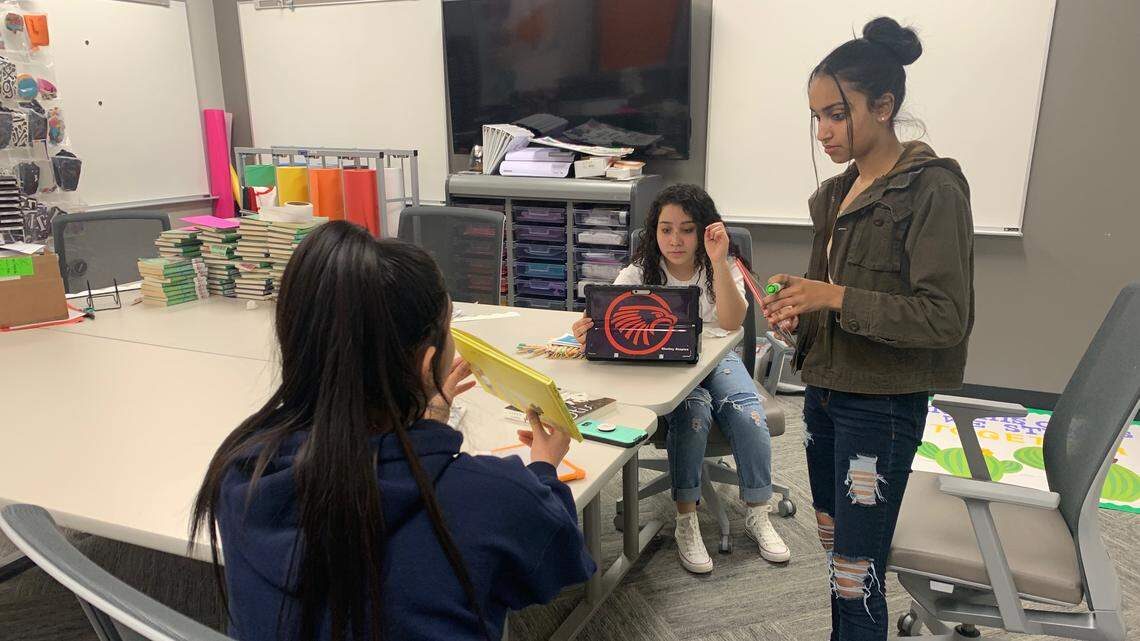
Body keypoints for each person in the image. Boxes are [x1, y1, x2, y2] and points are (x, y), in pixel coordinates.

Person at [190, 221, 595, 641]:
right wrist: (544, 468)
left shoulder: (245, 469)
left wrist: (424, 424)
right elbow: (556, 562)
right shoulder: (491, 495)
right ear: (427, 365)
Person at [761, 17, 974, 641]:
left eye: (837, 114)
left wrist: (832, 295)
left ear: (883, 107)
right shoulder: (838, 194)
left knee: (858, 572)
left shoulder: (932, 190)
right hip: (827, 394)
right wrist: (800, 307)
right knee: (840, 557)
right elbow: (833, 296)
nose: (823, 131)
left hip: (879, 406)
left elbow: (944, 316)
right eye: (816, 117)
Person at [572, 184, 790, 574]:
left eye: (687, 230)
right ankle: (686, 520)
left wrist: (719, 261)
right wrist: (587, 329)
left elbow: (730, 322)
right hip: (667, 367)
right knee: (694, 413)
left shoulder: (719, 266)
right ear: (654, 231)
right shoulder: (638, 272)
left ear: (703, 230)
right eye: (666, 229)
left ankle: (759, 511)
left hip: (717, 359)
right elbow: (608, 321)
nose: (675, 240)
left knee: (747, 412)